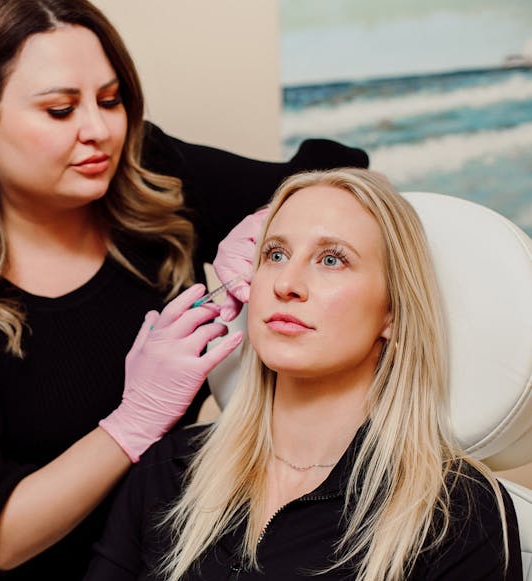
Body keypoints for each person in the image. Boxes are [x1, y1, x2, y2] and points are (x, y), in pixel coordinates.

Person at [0, 1, 368, 579]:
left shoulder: (152, 180)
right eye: (60, 110)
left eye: (111, 100)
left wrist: (270, 224)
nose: (99, 131)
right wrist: (133, 422)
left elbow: (346, 174)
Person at [84, 168, 523, 580]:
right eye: (274, 254)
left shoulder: (456, 509)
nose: (285, 283)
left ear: (392, 311)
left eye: (332, 260)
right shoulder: (171, 469)